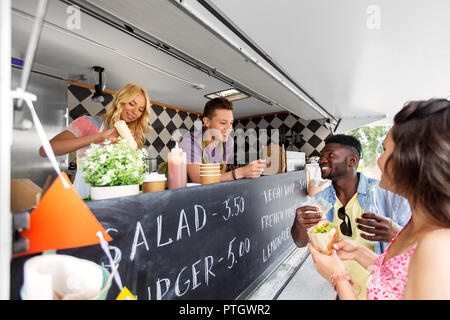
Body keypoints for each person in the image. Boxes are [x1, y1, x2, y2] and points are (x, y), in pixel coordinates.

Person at [307, 99, 450, 299]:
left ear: (413, 160)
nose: (379, 160)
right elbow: (393, 278)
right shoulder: (416, 224)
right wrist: (357, 251)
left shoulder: (439, 247)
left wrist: (337, 277)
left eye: (385, 150)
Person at [291, 134, 411, 299]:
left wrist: (395, 233)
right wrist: (299, 225)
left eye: (330, 155)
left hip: (384, 291)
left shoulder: (386, 194)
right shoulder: (320, 200)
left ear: (352, 161)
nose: (321, 160)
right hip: (344, 290)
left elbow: (414, 245)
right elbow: (300, 242)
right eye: (322, 156)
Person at [39, 83, 151, 198]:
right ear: (119, 101)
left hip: (119, 203)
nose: (135, 112)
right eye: (132, 104)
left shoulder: (134, 135)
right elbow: (45, 150)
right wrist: (101, 136)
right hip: (85, 202)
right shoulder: (89, 123)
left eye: (141, 110)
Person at [179, 97, 266, 183]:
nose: (229, 128)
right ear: (207, 122)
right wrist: (240, 173)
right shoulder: (190, 141)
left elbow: (220, 177)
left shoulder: (228, 142)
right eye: (223, 123)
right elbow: (198, 180)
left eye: (231, 123)